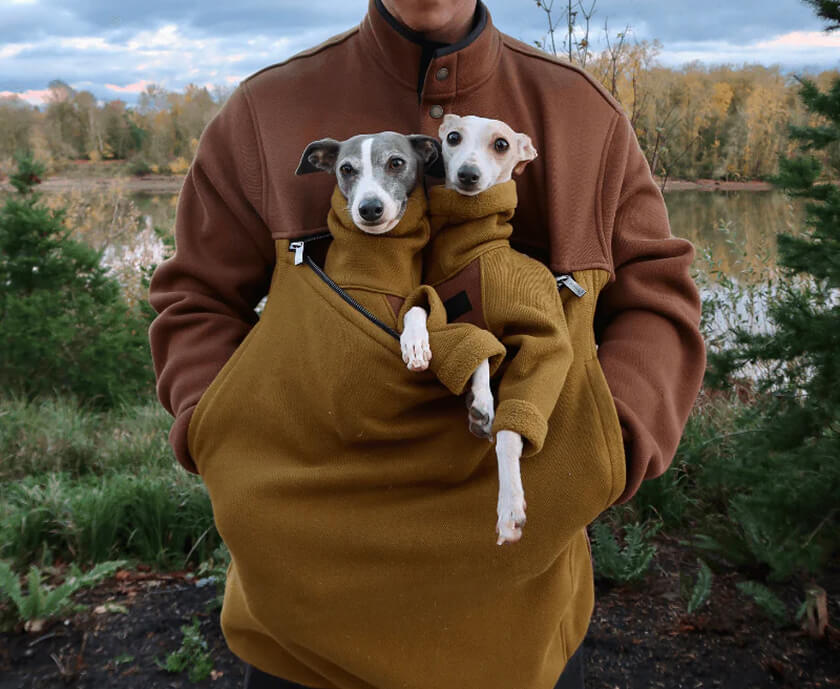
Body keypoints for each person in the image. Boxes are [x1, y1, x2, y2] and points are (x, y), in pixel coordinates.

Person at [147, 1, 706, 688]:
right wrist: (216, 433)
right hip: (300, 633)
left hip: (518, 632)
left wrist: (604, 447)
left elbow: (657, 299)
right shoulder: (266, 112)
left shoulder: (581, 114)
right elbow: (195, 301)